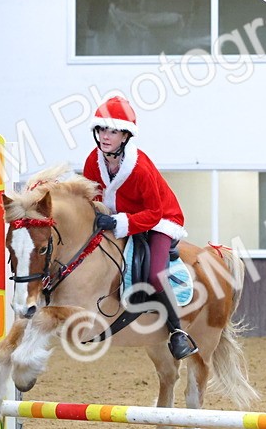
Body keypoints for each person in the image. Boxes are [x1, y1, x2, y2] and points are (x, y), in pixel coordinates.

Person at [83, 96, 198, 361]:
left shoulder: (140, 168)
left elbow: (154, 212)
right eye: (101, 129)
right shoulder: (94, 160)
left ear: (125, 135)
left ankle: (178, 332)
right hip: (118, 217)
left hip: (159, 220)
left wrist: (119, 223)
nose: (105, 136)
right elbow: (91, 194)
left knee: (157, 275)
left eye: (112, 131)